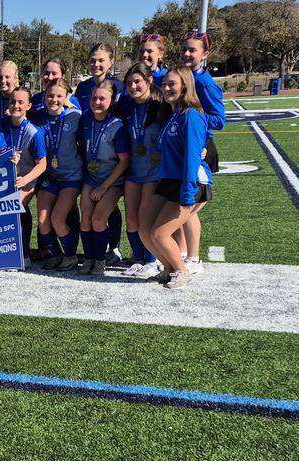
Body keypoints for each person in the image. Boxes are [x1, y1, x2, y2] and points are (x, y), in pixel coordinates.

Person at [142, 67, 213, 290]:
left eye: (172, 84)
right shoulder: (174, 115)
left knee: (159, 233)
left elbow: (192, 157)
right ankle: (169, 268)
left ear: (185, 86)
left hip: (189, 182)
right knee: (144, 230)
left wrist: (187, 191)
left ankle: (181, 271)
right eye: (165, 84)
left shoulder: (191, 115)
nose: (166, 88)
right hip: (169, 180)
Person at [179, 30, 226, 275]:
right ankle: (184, 255)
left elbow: (220, 120)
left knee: (189, 209)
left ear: (205, 54)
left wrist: (194, 118)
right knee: (181, 209)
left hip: (201, 147)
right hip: (185, 145)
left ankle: (194, 258)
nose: (187, 53)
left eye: (192, 50)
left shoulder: (205, 83)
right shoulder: (181, 76)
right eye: (184, 49)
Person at [118, 63, 165, 279]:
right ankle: (138, 258)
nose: (133, 86)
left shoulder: (160, 105)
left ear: (149, 81)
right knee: (132, 220)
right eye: (129, 83)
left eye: (138, 81)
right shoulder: (127, 106)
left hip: (154, 169)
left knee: (146, 217)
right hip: (133, 169)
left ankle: (152, 260)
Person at [77, 82, 130, 276]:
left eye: (102, 99)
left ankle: (100, 260)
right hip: (91, 178)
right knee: (85, 220)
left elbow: (124, 162)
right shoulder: (86, 118)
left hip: (112, 181)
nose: (97, 102)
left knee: (98, 219)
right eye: (94, 98)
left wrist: (104, 186)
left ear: (111, 100)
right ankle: (89, 258)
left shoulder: (117, 125)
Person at [35, 78, 84, 271]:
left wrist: (72, 103)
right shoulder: (38, 117)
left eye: (59, 96)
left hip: (72, 176)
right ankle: (55, 255)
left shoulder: (75, 115)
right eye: (50, 95)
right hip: (50, 176)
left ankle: (70, 256)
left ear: (66, 98)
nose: (53, 99)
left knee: (57, 219)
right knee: (42, 221)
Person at [0, 87, 48, 268]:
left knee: (13, 208)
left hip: (26, 180)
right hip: (5, 180)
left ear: (29, 105)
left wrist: (26, 179)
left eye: (20, 102)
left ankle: (23, 256)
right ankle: (3, 254)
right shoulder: (2, 125)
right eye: (13, 102)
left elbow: (42, 164)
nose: (16, 105)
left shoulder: (34, 133)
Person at [30, 58, 80, 124]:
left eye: (54, 74)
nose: (50, 77)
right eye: (46, 73)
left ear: (63, 77)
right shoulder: (36, 99)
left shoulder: (72, 100)